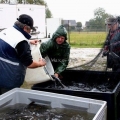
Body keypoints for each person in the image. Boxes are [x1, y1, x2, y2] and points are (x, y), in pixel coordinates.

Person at [0, 14, 46, 94]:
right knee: (7, 101)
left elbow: (12, 42)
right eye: (30, 29)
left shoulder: (7, 31)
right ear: (25, 28)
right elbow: (29, 63)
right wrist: (40, 63)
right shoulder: (21, 42)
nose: (30, 31)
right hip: (9, 80)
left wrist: (29, 42)